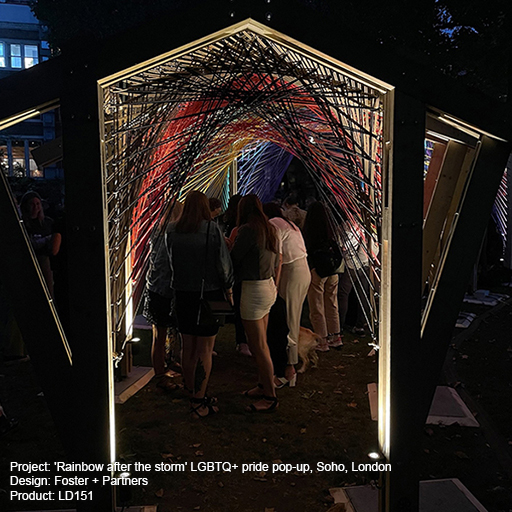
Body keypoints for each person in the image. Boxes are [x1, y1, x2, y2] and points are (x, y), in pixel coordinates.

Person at [166, 191, 234, 418]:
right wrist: (229, 289)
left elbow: (171, 262)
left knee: (188, 346)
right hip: (210, 293)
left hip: (182, 293)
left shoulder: (172, 231)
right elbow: (223, 265)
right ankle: (198, 399)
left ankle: (191, 388)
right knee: (205, 348)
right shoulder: (212, 230)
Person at [231, 194, 280, 412]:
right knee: (262, 342)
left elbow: (235, 258)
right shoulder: (269, 229)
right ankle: (263, 384)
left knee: (257, 345)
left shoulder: (248, 230)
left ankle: (270, 396)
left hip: (253, 288)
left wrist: (229, 243)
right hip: (268, 286)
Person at [263, 202, 310, 388]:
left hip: (292, 272)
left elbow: (279, 257)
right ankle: (287, 366)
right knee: (291, 317)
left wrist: (275, 282)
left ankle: (288, 370)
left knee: (289, 319)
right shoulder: (290, 225)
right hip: (301, 269)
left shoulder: (274, 224)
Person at [144, 200, 183, 391]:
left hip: (156, 288)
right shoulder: (172, 233)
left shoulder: (156, 232)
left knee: (159, 334)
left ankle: (165, 367)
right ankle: (160, 374)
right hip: (165, 289)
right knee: (161, 334)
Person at [303, 201, 342, 351]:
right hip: (332, 269)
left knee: (316, 305)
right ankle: (336, 336)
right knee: (332, 302)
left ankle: (322, 340)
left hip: (317, 270)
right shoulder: (330, 229)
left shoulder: (310, 231)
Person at [20, 191, 61, 299]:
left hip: (46, 264)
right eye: (32, 204)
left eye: (38, 204)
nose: (35, 207)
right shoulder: (21, 224)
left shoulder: (47, 223)